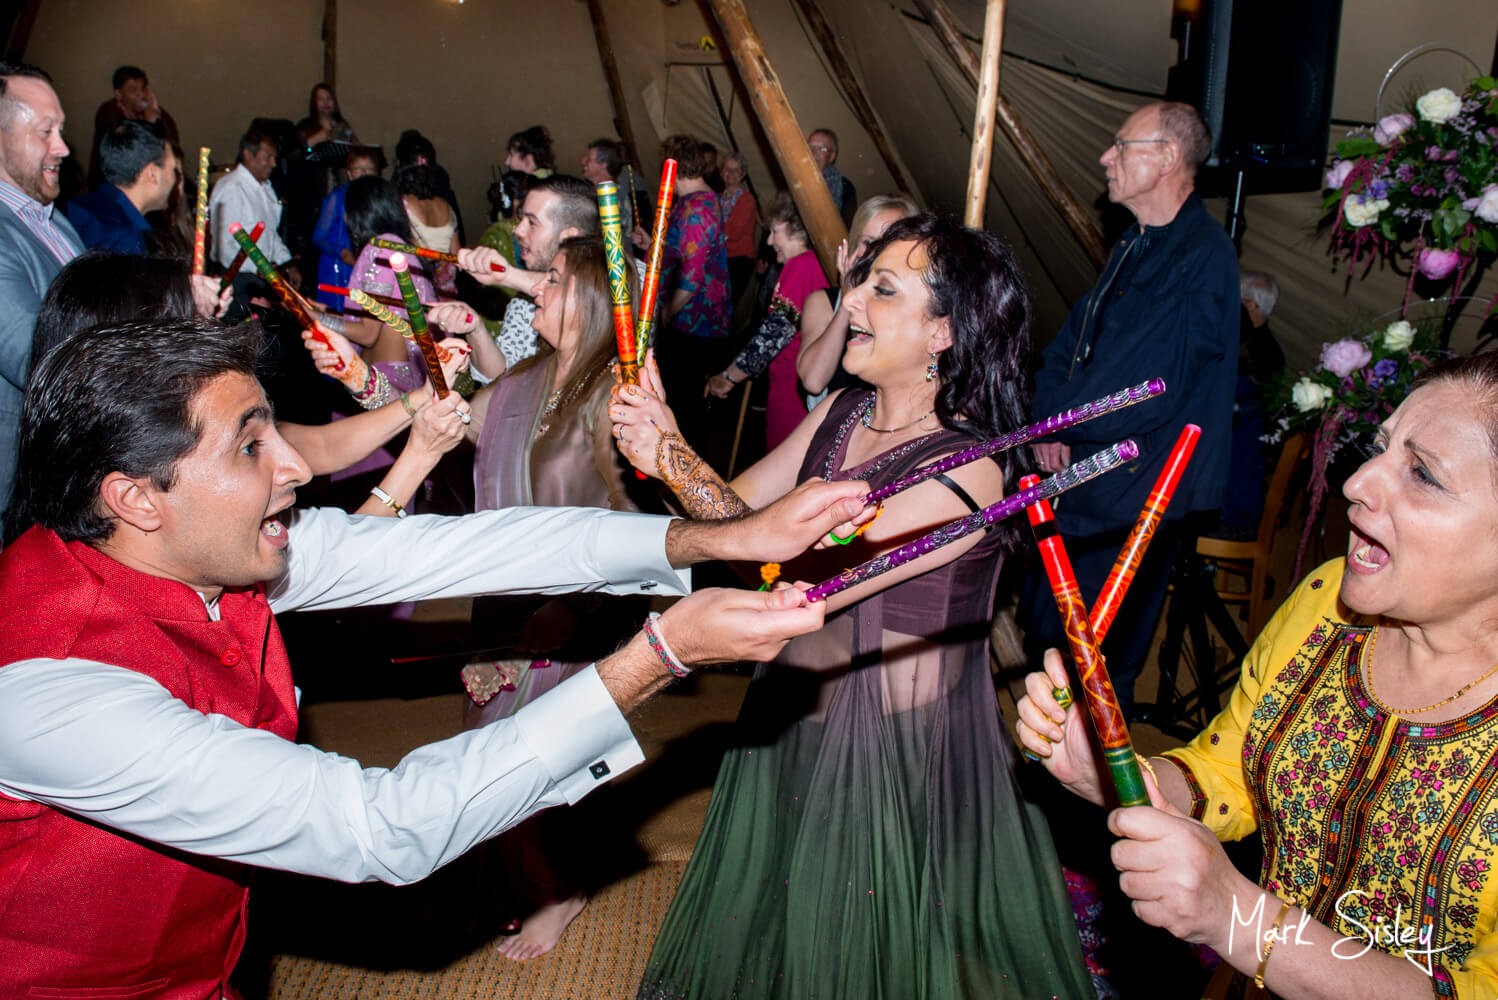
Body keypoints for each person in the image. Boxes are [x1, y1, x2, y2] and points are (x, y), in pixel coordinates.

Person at [0, 313, 872, 997]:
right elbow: (382, 829)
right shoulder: (49, 690)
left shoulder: (197, 550)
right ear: (134, 499)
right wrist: (659, 653)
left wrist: (722, 539)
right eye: (251, 446)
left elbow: (486, 547)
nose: (298, 468)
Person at [614, 214, 1092, 998]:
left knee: (865, 948)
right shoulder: (841, 411)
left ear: (942, 331)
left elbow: (795, 567)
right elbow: (735, 509)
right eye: (860, 279)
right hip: (796, 708)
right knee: (785, 922)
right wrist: (666, 454)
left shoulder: (970, 471)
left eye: (882, 288)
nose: (853, 300)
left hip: (893, 754)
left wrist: (671, 453)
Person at [1017, 351, 1498, 998]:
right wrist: (1110, 769)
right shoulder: (1329, 604)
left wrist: (1237, 917)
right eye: (1380, 448)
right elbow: (1229, 775)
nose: (1359, 481)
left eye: (1423, 475)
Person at [436, 235, 655, 959]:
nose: (538, 290)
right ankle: (512, 884)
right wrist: (368, 381)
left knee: (535, 765)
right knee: (483, 753)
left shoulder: (613, 395)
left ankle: (559, 891)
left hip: (574, 613)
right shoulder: (526, 377)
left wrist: (582, 611)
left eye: (555, 281)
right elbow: (456, 424)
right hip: (504, 602)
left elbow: (639, 528)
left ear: (593, 297)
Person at [1024, 100, 1238, 719]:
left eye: (1122, 145)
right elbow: (1069, 348)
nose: (1104, 157)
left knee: (1091, 675)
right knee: (1051, 647)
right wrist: (1049, 419)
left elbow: (1146, 386)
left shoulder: (1202, 257)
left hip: (1134, 495)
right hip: (1087, 480)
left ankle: (1084, 809)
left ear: (1168, 157)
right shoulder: (1133, 246)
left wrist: (1062, 422)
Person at [31, 250, 469, 521]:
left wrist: (418, 399)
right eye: (193, 316)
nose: (293, 472)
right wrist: (421, 452)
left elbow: (315, 448)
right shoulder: (178, 466)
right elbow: (333, 564)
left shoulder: (189, 421)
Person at [0, 62, 80, 516]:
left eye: (61, 130)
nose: (63, 147)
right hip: (15, 487)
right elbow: (37, 355)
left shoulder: (53, 219)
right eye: (45, 132)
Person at [632, 135, 730, 454]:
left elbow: (692, 277)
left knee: (684, 403)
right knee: (681, 397)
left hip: (693, 320)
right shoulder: (694, 202)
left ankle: (685, 468)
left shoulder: (698, 208)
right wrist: (650, 242)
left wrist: (665, 313)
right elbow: (681, 252)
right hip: (690, 319)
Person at [706, 192, 828, 450]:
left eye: (775, 232)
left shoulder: (803, 266)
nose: (770, 241)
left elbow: (773, 335)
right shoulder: (808, 265)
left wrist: (729, 376)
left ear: (800, 231)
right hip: (790, 385)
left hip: (792, 391)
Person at [455, 174, 600, 381]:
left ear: (569, 237)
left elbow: (590, 293)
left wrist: (507, 276)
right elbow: (501, 376)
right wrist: (475, 328)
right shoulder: (524, 302)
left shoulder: (622, 277)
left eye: (532, 222)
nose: (519, 231)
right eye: (520, 218)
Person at [798, 194, 919, 401]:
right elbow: (813, 381)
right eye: (868, 241)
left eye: (887, 243)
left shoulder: (915, 309)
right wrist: (849, 297)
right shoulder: (823, 302)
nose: (874, 253)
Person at [66, 120, 177, 254]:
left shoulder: (76, 207)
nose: (175, 180)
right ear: (152, 174)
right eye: (173, 170)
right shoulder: (124, 241)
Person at [209, 126, 294, 279]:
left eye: (274, 158)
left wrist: (288, 264)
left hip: (261, 276)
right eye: (267, 157)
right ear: (248, 155)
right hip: (237, 277)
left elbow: (270, 235)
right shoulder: (231, 188)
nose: (273, 164)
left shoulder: (266, 189)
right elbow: (225, 245)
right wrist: (257, 268)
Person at [87, 65, 178, 190]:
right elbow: (131, 153)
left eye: (143, 89)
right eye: (133, 90)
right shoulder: (109, 112)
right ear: (119, 94)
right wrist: (150, 123)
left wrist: (156, 112)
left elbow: (173, 141)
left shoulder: (146, 110)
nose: (140, 94)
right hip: (111, 185)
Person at [312, 147, 379, 307]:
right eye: (358, 169)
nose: (363, 173)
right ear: (349, 173)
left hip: (366, 266)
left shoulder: (379, 201)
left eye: (369, 169)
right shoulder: (337, 197)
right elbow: (318, 237)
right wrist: (341, 252)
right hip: (337, 265)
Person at [396, 162, 459, 293]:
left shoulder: (402, 204)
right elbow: (456, 252)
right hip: (446, 283)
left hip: (419, 280)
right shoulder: (446, 205)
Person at [718, 152, 758, 306]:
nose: (731, 173)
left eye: (736, 170)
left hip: (739, 259)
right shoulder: (720, 197)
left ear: (743, 174)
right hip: (723, 257)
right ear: (721, 172)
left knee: (727, 305)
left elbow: (732, 233)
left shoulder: (747, 200)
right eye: (727, 169)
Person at [580, 137, 634, 237]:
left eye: (588, 159)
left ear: (603, 165)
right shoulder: (594, 192)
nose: (583, 161)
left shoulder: (613, 197)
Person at [808, 127, 856, 226]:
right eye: (810, 147)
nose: (813, 152)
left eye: (821, 148)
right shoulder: (794, 182)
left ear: (832, 156)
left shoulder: (844, 187)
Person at [297, 82, 358, 148]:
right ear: (314, 102)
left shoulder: (342, 125)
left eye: (329, 98)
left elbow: (357, 149)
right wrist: (314, 140)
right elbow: (295, 155)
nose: (325, 102)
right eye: (320, 99)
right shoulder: (304, 125)